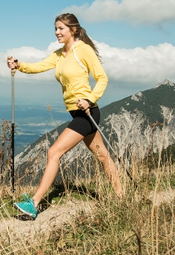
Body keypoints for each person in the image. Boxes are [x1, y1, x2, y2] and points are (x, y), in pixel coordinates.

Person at [7, 13, 124, 219]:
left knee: (54, 152)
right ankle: (122, 197)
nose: (57, 32)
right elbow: (38, 67)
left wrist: (89, 98)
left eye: (61, 28)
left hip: (87, 112)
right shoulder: (59, 54)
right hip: (76, 112)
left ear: (74, 30)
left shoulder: (83, 50)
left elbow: (102, 78)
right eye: (55, 28)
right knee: (103, 156)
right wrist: (19, 65)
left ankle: (33, 205)